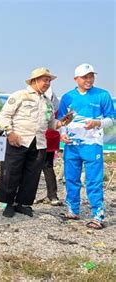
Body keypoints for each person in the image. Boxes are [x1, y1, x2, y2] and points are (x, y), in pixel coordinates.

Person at [0, 67, 70, 218]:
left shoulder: (47, 103)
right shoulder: (19, 95)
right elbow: (4, 115)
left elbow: (50, 123)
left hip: (38, 144)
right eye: (45, 80)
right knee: (11, 173)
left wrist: (61, 123)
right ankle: (8, 204)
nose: (47, 83)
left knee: (32, 175)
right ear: (34, 81)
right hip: (18, 140)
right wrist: (9, 132)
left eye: (49, 80)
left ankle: (22, 204)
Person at [58, 63, 114, 229]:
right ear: (76, 79)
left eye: (91, 76)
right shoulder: (67, 97)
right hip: (72, 144)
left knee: (93, 181)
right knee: (71, 178)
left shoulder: (102, 95)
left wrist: (98, 122)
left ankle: (98, 215)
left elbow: (112, 118)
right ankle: (73, 210)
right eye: (85, 77)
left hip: (92, 144)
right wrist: (62, 133)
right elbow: (62, 120)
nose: (89, 80)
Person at [36, 88, 62, 206]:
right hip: (52, 139)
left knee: (33, 168)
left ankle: (28, 197)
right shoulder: (57, 105)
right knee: (48, 167)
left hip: (41, 138)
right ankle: (53, 196)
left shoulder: (42, 104)